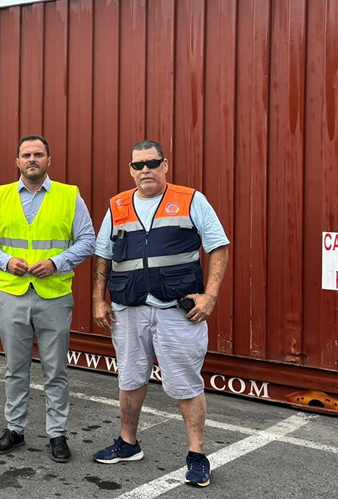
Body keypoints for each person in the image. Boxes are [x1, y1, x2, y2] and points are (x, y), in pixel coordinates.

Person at [90, 140, 230, 488]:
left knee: (185, 382)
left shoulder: (191, 199)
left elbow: (219, 246)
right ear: (130, 170)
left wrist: (210, 296)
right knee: (130, 378)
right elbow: (103, 256)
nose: (145, 170)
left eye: (152, 163)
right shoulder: (117, 205)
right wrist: (98, 299)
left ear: (165, 165)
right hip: (128, 309)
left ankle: (197, 455)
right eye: (138, 165)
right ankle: (128, 443)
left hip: (176, 310)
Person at [0, 135, 95, 462]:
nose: (32, 159)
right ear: (17, 161)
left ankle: (57, 435)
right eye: (26, 155)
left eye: (38, 154)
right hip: (13, 293)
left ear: (48, 160)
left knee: (55, 370)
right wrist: (5, 260)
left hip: (54, 295)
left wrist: (57, 262)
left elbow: (88, 240)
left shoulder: (70, 196)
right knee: (16, 368)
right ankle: (15, 430)